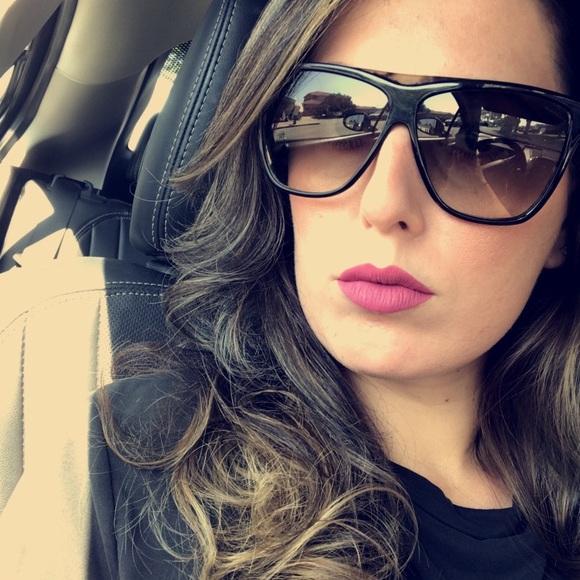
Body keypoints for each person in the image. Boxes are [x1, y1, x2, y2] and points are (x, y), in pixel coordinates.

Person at [89, 0, 580, 577]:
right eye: (341, 118)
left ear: (565, 224)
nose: (385, 204)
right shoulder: (130, 455)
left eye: (475, 144)